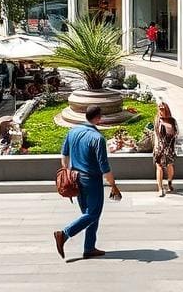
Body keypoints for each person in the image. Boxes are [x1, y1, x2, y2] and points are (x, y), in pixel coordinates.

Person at [52, 105, 122, 260]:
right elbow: (105, 167)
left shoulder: (72, 132)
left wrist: (67, 173)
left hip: (76, 179)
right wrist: (113, 185)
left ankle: (89, 248)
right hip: (92, 180)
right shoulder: (98, 138)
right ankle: (64, 234)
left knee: (88, 214)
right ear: (98, 118)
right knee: (93, 213)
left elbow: (64, 156)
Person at [153, 102, 178, 197]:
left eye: (162, 108)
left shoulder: (172, 121)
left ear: (166, 109)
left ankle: (169, 182)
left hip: (169, 147)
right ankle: (160, 188)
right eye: (159, 108)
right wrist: (155, 145)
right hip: (159, 147)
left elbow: (175, 133)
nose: (160, 110)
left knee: (169, 165)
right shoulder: (157, 120)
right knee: (159, 166)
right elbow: (155, 133)